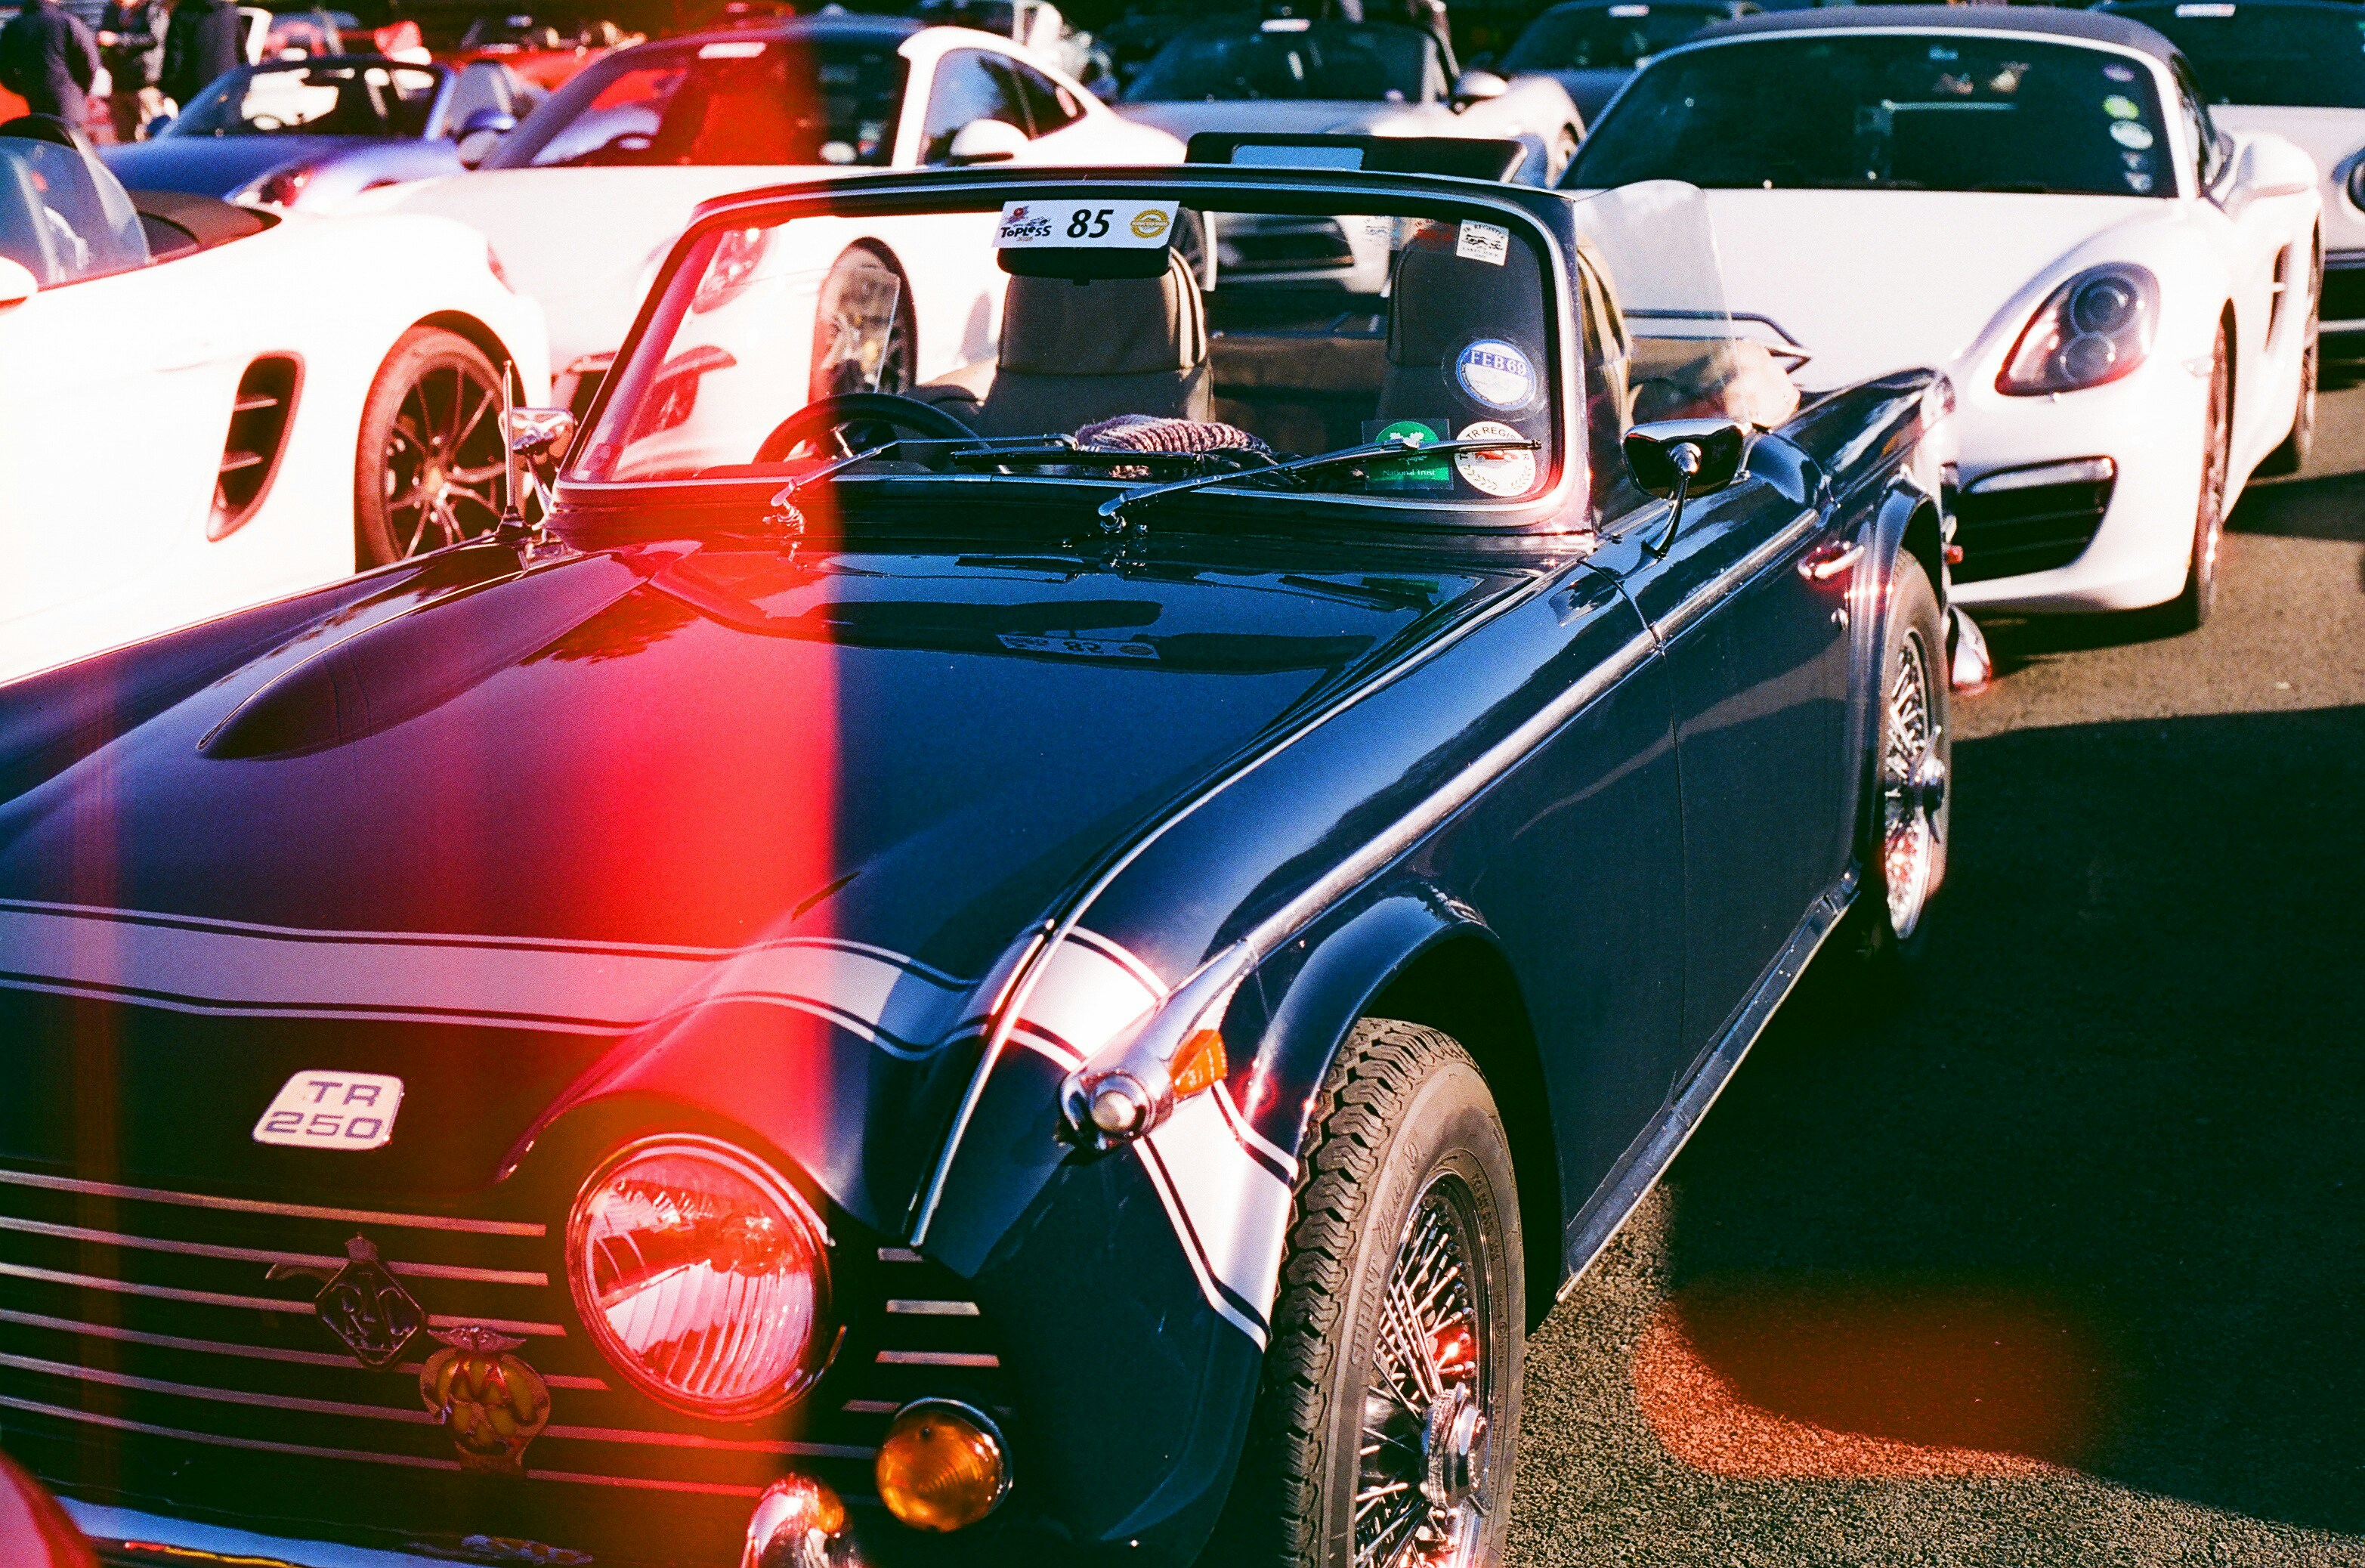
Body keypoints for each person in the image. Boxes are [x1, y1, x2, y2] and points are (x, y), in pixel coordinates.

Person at [0, 0, 102, 123]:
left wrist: (25, 88)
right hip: (69, 104)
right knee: (69, 140)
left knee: (41, 139)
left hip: (34, 102)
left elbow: (4, 68)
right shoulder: (67, 22)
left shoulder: (14, 27)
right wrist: (81, 89)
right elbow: (90, 61)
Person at [95, 0, 165, 139]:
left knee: (147, 135)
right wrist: (103, 50)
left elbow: (153, 38)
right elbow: (103, 43)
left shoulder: (152, 10)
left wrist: (118, 40)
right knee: (123, 137)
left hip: (143, 84)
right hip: (119, 84)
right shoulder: (112, 11)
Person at [158, 0, 238, 113]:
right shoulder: (230, 11)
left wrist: (166, 90)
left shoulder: (184, 13)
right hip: (228, 89)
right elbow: (241, 53)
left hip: (195, 96)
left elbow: (175, 59)